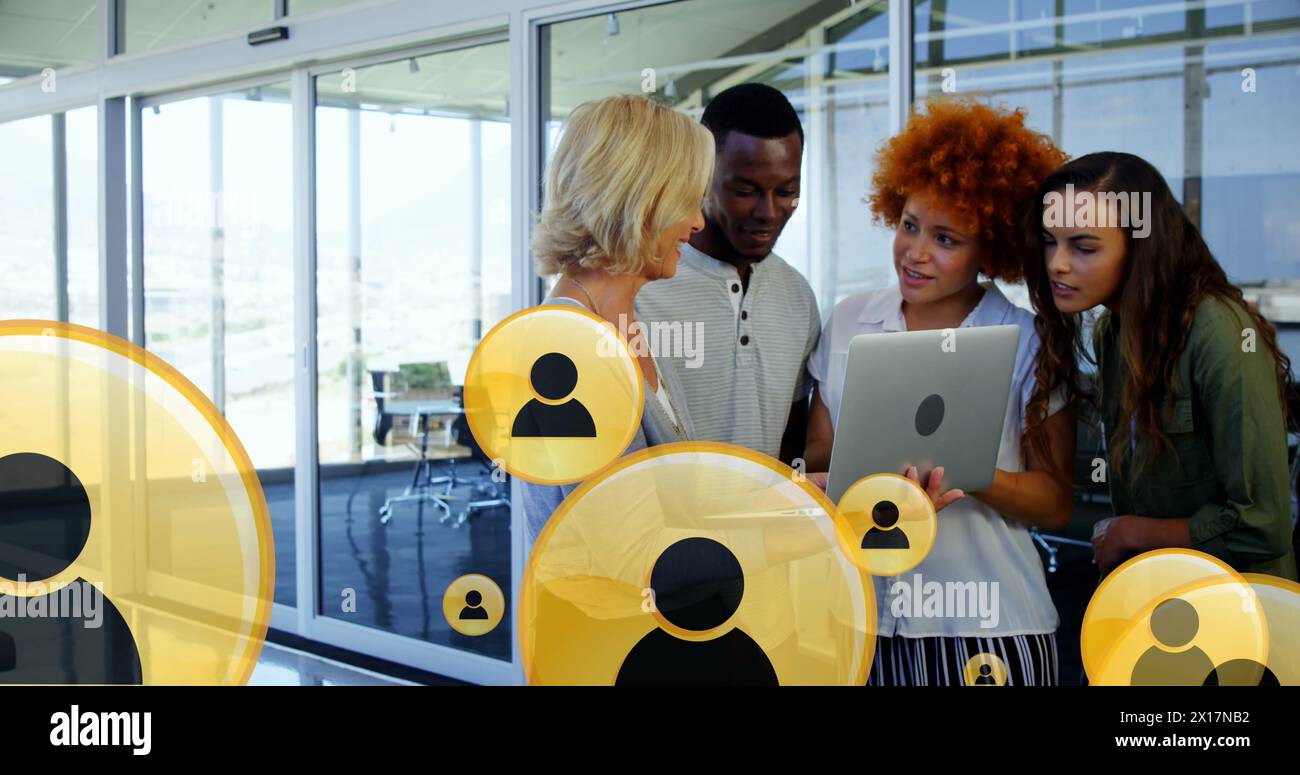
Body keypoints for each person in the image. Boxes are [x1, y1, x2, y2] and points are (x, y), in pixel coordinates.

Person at [804, 97, 1074, 685]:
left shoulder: (1029, 341)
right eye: (908, 226)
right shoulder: (849, 321)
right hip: (861, 622)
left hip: (991, 626)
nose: (916, 252)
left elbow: (1054, 500)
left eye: (947, 239)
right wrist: (851, 472)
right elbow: (818, 456)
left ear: (991, 249)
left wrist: (962, 470)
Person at [1022, 151, 1297, 581]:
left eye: (1084, 246)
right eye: (1049, 241)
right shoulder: (1111, 332)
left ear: (1141, 245)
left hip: (1241, 620)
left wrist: (1133, 531)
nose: (1057, 263)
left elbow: (1264, 525)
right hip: (1158, 609)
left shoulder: (1217, 332)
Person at [519, 94, 713, 544]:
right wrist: (818, 527)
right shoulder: (568, 348)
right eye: (687, 201)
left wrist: (799, 495)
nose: (699, 221)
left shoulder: (626, 322)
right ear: (641, 200)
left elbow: (681, 507)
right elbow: (633, 556)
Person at [636, 83, 819, 465]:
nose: (769, 211)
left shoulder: (798, 297)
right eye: (746, 190)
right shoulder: (639, 292)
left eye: (787, 191)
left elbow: (793, 449)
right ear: (702, 178)